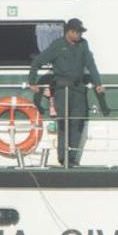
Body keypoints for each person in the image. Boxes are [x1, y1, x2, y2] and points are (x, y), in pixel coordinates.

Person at [28, 18, 104, 167]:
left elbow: (91, 64)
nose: (80, 35)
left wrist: (98, 84)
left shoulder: (83, 44)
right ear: (70, 32)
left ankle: (73, 157)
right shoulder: (57, 45)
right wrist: (32, 82)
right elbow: (37, 62)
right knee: (64, 122)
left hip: (78, 89)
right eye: (77, 32)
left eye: (81, 32)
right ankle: (63, 157)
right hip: (62, 90)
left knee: (78, 121)